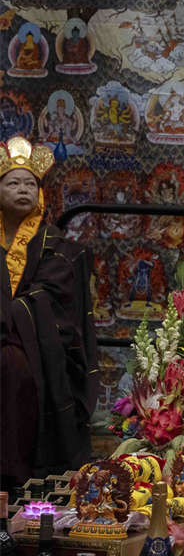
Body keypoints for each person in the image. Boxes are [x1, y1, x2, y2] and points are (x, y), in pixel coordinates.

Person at [0, 136, 97, 494]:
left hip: (35, 348)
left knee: (12, 366)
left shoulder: (55, 245)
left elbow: (53, 300)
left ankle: (15, 476)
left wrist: (10, 314)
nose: (23, 189)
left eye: (30, 184)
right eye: (13, 183)